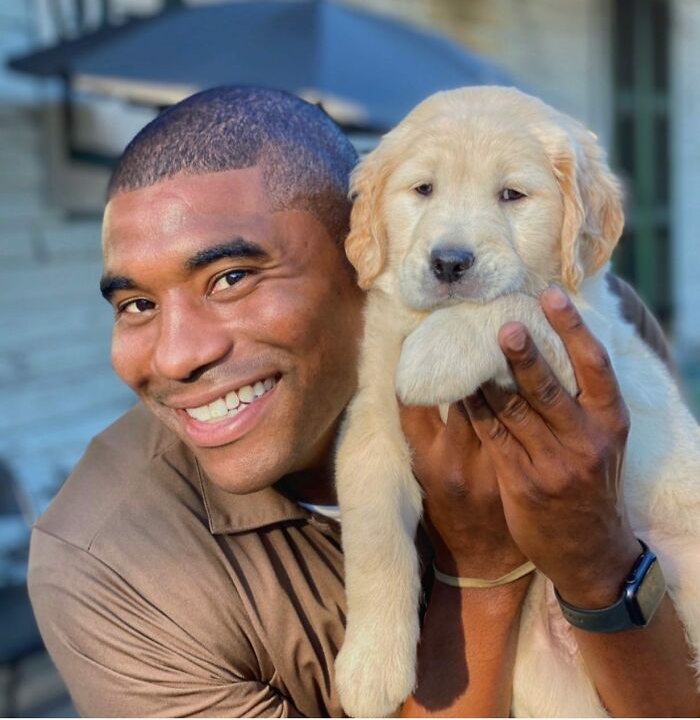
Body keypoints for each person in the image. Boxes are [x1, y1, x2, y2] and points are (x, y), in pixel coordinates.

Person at [28, 86, 699, 717]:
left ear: (358, 257)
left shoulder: (576, 333)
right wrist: (482, 572)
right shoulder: (104, 565)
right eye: (136, 304)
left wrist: (601, 560)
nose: (177, 355)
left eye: (232, 277)